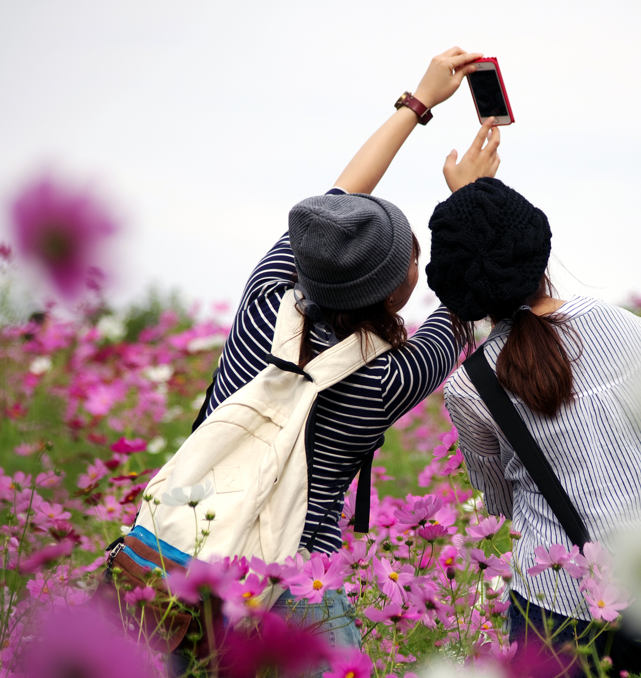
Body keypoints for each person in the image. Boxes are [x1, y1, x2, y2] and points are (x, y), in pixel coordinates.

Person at [187, 47, 501, 656]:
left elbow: (336, 200)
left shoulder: (267, 300)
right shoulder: (386, 378)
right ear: (402, 287)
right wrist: (472, 200)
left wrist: (418, 101)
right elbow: (465, 306)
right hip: (296, 583)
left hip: (193, 553)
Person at [424, 177, 641, 675]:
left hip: (557, 609)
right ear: (540, 248)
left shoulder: (469, 388)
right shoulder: (635, 330)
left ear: (457, 292)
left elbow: (501, 506)